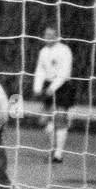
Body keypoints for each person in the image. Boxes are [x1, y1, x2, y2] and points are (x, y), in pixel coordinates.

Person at [33, 25, 74, 162]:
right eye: (46, 35)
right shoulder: (43, 51)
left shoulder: (64, 50)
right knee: (45, 121)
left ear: (57, 36)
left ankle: (58, 154)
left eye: (51, 35)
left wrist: (53, 87)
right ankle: (54, 148)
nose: (48, 38)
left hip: (62, 87)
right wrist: (37, 87)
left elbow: (65, 72)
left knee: (60, 119)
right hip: (48, 86)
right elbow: (40, 69)